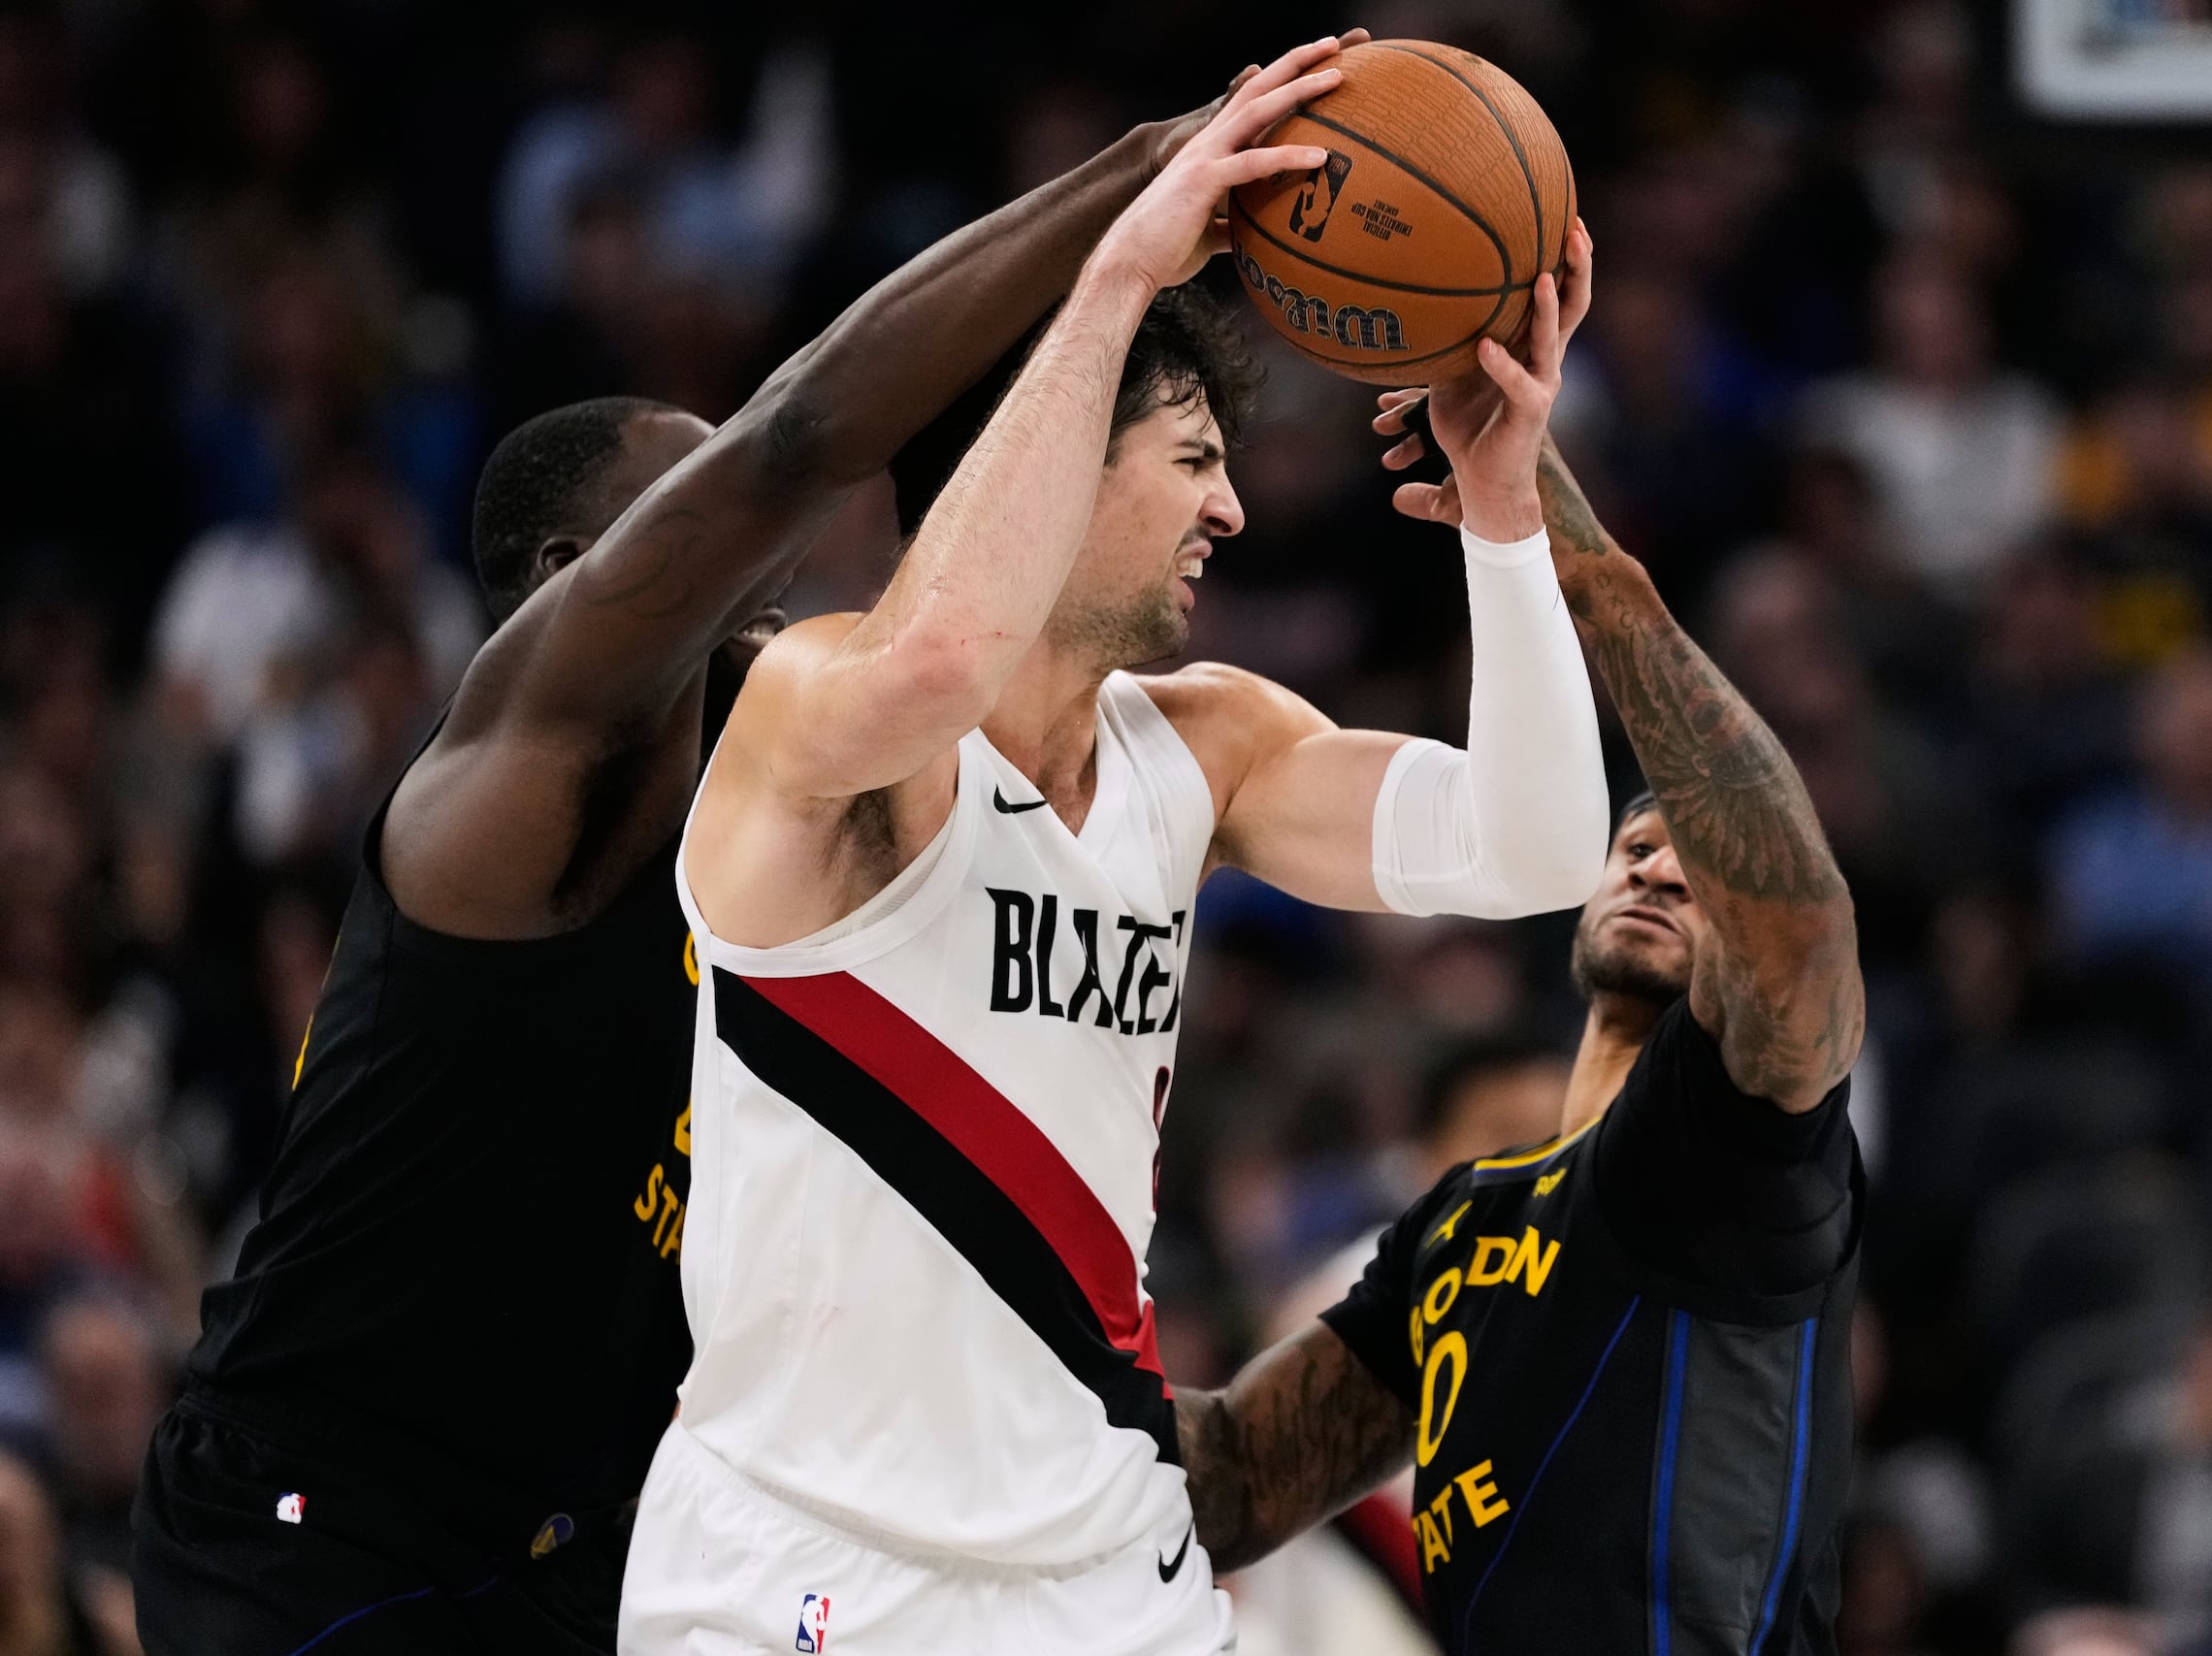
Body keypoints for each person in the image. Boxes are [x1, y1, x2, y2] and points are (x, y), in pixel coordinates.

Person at [127, 76, 1252, 1656]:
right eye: (692, 514)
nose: (758, 565)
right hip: (322, 1525)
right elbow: (800, 439)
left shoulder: (793, 791)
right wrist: (1127, 194)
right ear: (571, 585)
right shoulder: (512, 783)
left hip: (605, 1527)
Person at [620, 36, 1609, 1656]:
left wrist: (1505, 519)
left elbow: (1537, 844)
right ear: (1063, 461)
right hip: (805, 1567)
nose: (1231, 511)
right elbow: (943, 659)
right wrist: (1120, 266)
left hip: (1107, 1560)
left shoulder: (1200, 748)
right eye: (1195, 459)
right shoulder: (812, 710)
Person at [1173, 433, 1867, 1655]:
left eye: (1694, 859)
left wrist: (1578, 564)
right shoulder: (1460, 1224)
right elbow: (1233, 1480)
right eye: (1635, 844)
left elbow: (1797, 924)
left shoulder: (1738, 1157)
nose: (1658, 858)